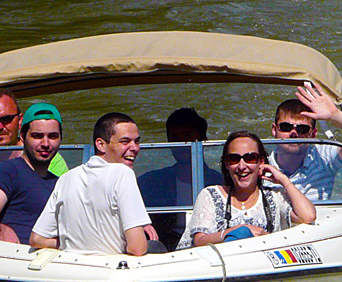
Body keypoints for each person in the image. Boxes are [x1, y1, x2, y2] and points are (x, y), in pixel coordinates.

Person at [31, 113, 161, 256]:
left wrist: (68, 243)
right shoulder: (123, 173)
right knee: (157, 247)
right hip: (111, 270)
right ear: (100, 145)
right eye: (125, 142)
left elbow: (37, 239)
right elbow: (137, 248)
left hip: (73, 267)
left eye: (136, 141)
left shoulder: (66, 178)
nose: (134, 148)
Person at [176, 131, 315, 249]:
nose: (242, 166)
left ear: (261, 162)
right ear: (226, 164)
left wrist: (284, 180)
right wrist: (238, 231)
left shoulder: (274, 197)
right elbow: (199, 241)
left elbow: (307, 216)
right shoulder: (210, 195)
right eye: (234, 159)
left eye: (250, 158)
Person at [268, 82, 342, 201]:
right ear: (274, 129)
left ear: (313, 134)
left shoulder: (324, 157)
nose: (293, 133)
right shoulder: (257, 164)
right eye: (286, 127)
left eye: (302, 129)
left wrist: (335, 116)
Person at [0, 103, 64, 244]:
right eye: (37, 136)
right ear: (22, 136)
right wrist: (1, 230)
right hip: (16, 256)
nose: (45, 143)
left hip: (52, 257)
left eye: (52, 136)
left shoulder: (62, 183)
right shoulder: (6, 172)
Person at [137, 107, 224, 251]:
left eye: (187, 136)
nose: (181, 144)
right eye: (175, 138)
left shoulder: (221, 184)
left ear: (203, 141)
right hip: (163, 249)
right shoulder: (150, 182)